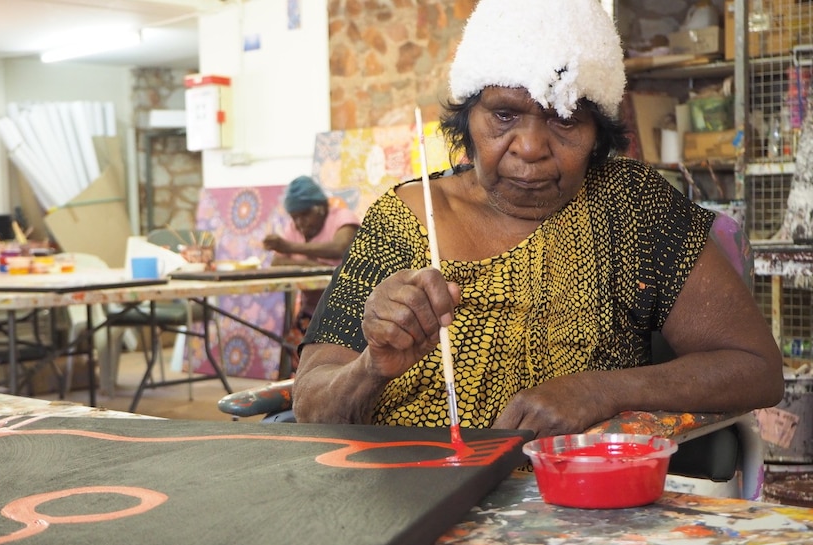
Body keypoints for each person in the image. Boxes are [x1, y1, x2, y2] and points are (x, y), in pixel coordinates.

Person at [291, 0, 784, 438]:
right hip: (399, 505)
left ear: (599, 133)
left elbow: (756, 368)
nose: (529, 147)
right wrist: (370, 368)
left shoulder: (631, 207)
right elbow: (311, 404)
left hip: (573, 511)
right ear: (467, 120)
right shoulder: (402, 222)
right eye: (504, 116)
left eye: (564, 119)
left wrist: (602, 391)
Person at [262, 175, 360, 369]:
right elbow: (277, 260)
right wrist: (309, 261)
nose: (299, 223)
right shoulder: (295, 228)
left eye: (305, 215)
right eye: (295, 217)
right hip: (311, 311)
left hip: (345, 309)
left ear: (321, 208)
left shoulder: (342, 219)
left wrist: (291, 248)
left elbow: (340, 248)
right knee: (294, 346)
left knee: (335, 363)